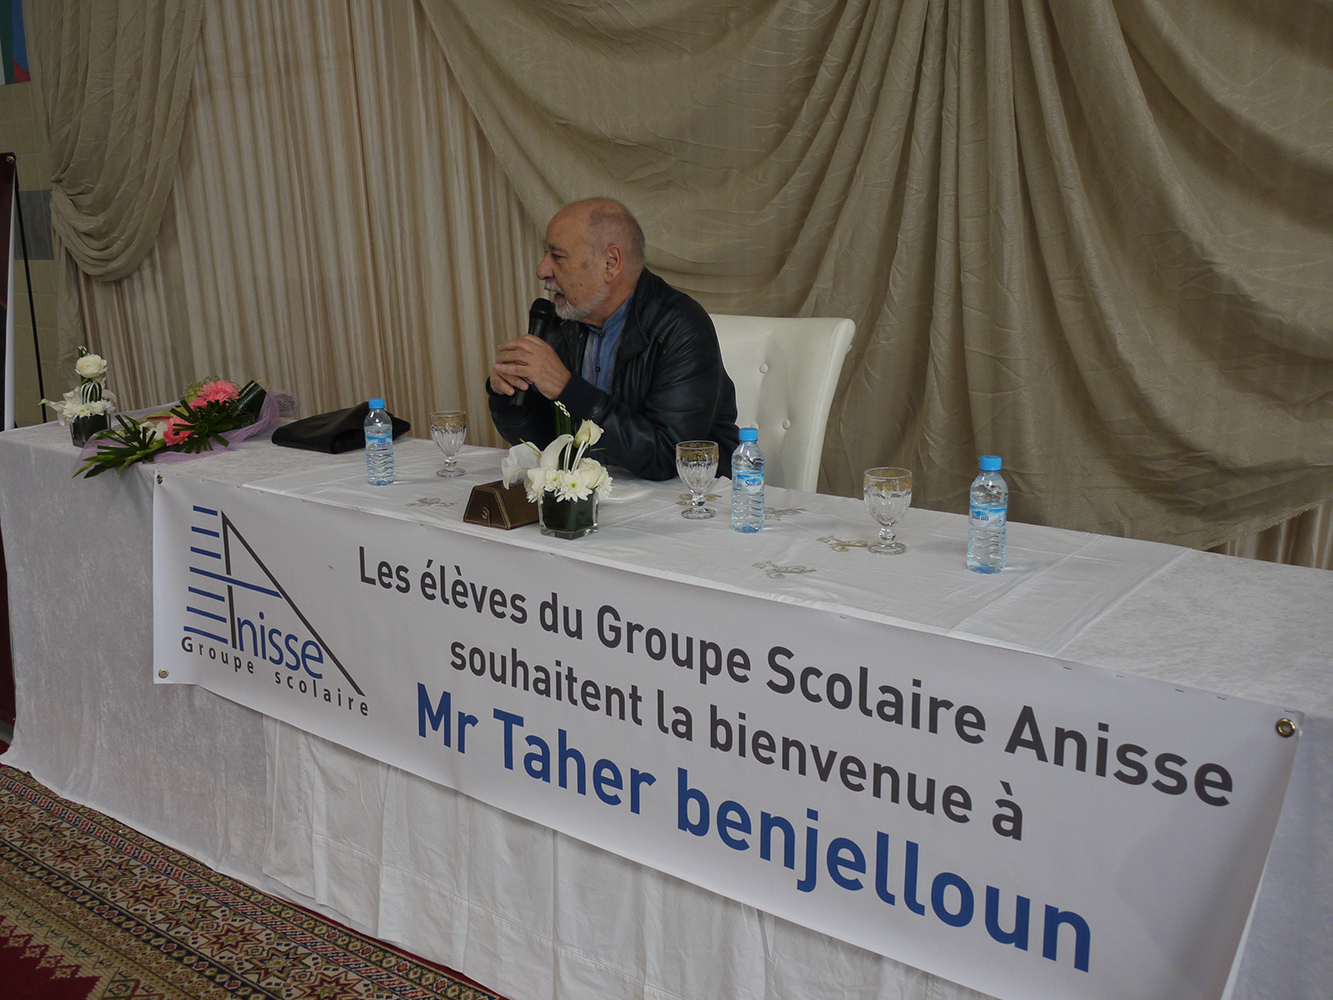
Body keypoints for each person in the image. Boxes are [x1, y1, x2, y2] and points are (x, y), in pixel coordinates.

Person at [488, 198, 740, 479]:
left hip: (688, 497)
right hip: (593, 494)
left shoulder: (681, 327)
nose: (542, 270)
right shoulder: (564, 321)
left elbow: (669, 456)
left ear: (610, 262)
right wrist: (508, 397)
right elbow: (544, 443)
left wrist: (567, 388)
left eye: (557, 256)